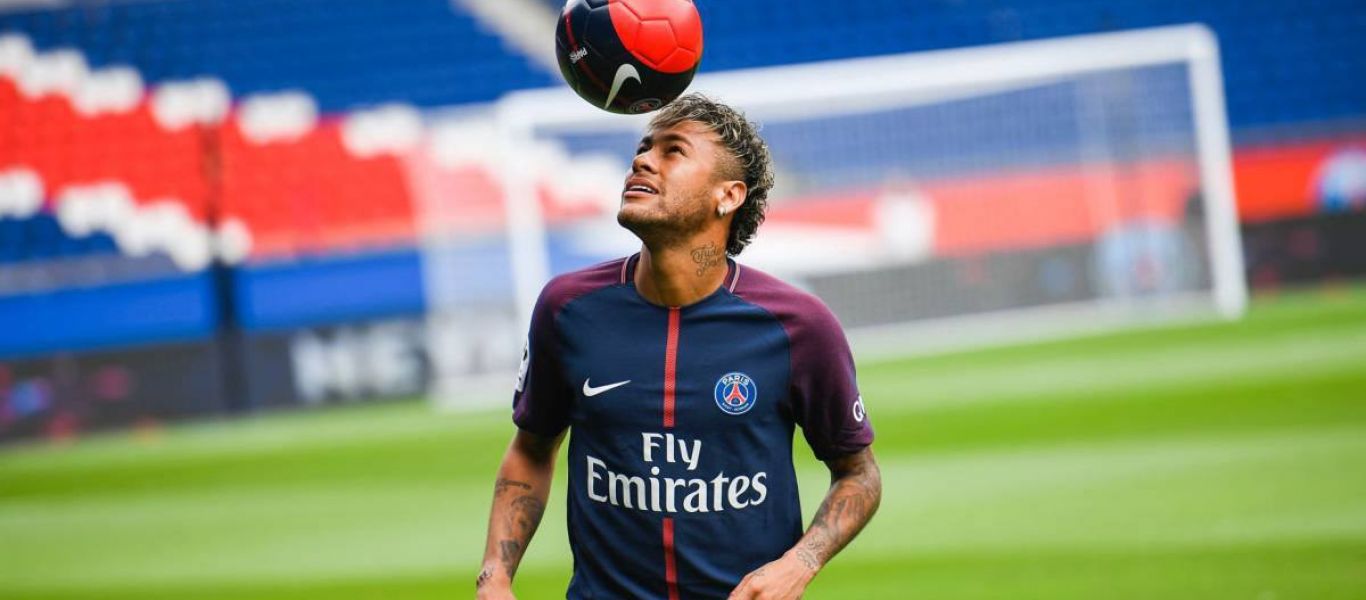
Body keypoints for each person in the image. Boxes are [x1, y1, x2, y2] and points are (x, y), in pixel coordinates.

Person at [477, 94, 881, 600]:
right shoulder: (567, 309)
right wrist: (495, 575)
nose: (642, 160)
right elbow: (531, 449)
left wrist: (801, 561)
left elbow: (859, 475)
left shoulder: (798, 326)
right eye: (643, 148)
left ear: (728, 196)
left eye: (673, 150)